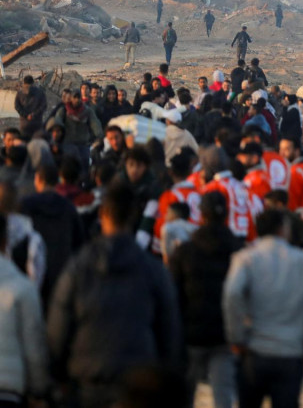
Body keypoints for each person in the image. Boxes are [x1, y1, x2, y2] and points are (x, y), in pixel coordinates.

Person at [48, 183, 181, 408]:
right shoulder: (153, 270)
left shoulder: (79, 266)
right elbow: (169, 333)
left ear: (102, 214)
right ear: (133, 216)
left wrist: (58, 376)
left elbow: (58, 328)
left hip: (86, 382)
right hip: (137, 386)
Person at [223, 209, 303, 408]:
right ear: (283, 229)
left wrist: (236, 337)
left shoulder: (245, 258)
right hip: (292, 352)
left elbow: (232, 294)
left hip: (253, 350)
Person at [169, 192, 243, 408]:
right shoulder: (238, 251)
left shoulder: (185, 251)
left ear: (201, 215)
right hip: (225, 334)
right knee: (223, 396)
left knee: (184, 395)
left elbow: (172, 294)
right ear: (226, 214)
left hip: (190, 333)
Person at [0, 213, 50, 407]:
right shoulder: (23, 287)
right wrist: (39, 390)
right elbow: (33, 347)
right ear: (5, 242)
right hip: (8, 390)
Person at [19, 163, 86, 308]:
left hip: (32, 273)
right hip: (61, 272)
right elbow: (79, 242)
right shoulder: (68, 207)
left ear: (38, 179)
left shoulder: (26, 205)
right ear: (57, 181)